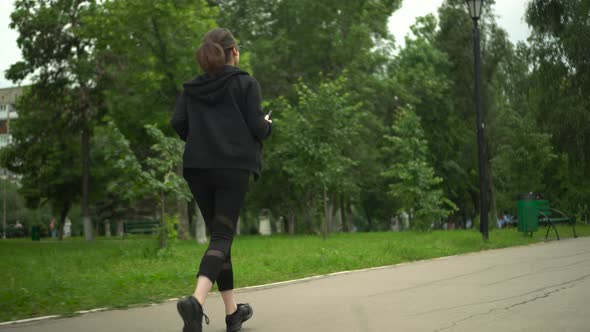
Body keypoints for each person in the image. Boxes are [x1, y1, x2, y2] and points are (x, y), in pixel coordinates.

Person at [171, 28, 272, 332]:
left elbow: (178, 123)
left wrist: (201, 140)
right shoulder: (245, 83)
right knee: (222, 238)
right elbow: (257, 127)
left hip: (198, 168)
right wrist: (267, 125)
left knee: (219, 238)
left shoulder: (191, 88)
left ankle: (232, 313)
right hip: (233, 168)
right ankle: (196, 302)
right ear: (233, 52)